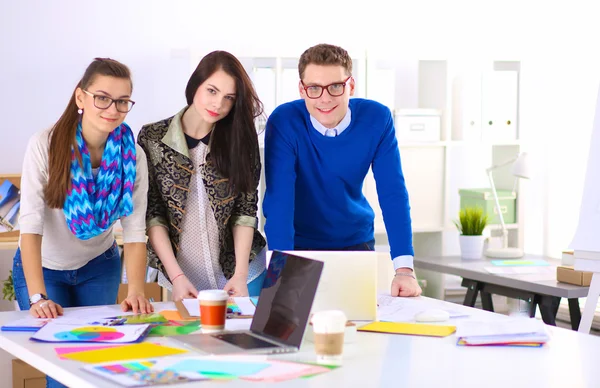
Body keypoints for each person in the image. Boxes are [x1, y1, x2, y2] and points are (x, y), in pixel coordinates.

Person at [13, 58, 153, 388]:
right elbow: (30, 227)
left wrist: (135, 290)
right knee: (61, 369)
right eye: (102, 97)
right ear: (81, 98)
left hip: (99, 265)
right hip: (44, 269)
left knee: (99, 363)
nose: (112, 109)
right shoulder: (45, 145)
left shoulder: (133, 155)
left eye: (122, 101)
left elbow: (134, 232)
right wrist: (37, 298)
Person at [263, 43, 421, 297]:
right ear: (302, 90)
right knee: (294, 327)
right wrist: (282, 271)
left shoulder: (377, 119)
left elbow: (393, 193)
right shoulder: (284, 122)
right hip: (298, 246)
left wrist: (404, 269)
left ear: (351, 86)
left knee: (360, 324)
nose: (325, 98)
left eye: (336, 86)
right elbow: (279, 202)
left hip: (354, 244)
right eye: (314, 88)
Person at [137, 50, 267, 301]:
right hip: (181, 278)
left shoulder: (242, 140)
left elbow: (246, 212)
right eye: (212, 91)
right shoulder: (152, 138)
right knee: (185, 341)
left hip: (243, 274)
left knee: (246, 339)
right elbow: (153, 214)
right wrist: (176, 277)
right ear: (195, 84)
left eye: (229, 97)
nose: (218, 104)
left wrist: (240, 275)